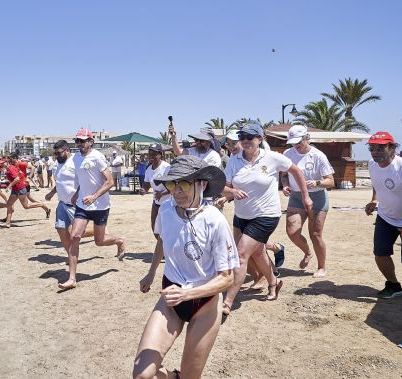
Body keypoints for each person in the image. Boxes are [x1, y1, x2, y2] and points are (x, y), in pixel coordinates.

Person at [134, 156, 238, 379]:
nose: (176, 191)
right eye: (172, 184)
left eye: (184, 183)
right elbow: (162, 240)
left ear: (202, 184)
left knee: (191, 377)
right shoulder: (166, 212)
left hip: (205, 303)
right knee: (142, 375)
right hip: (171, 297)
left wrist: (188, 293)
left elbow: (227, 278)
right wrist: (151, 273)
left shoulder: (215, 220)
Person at [219, 122, 312, 316]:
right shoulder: (234, 161)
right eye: (242, 137)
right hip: (242, 215)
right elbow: (224, 187)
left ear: (260, 139)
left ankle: (227, 301)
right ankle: (274, 282)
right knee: (259, 253)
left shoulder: (272, 158)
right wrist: (232, 191)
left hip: (266, 215)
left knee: (241, 253)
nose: (245, 141)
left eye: (250, 137)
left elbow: (296, 171)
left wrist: (305, 196)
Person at [60, 128, 126, 290]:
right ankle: (72, 278)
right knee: (75, 236)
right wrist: (77, 193)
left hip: (101, 205)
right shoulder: (75, 158)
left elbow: (109, 181)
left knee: (99, 241)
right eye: (77, 141)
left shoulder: (98, 157)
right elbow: (83, 180)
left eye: (83, 141)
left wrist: (94, 196)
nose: (80, 144)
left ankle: (119, 241)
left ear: (91, 141)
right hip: (83, 204)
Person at [282, 125, 335, 278]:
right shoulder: (288, 153)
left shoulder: (318, 156)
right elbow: (284, 174)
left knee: (315, 234)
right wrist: (285, 185)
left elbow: (330, 181)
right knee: (292, 232)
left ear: (307, 138)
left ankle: (321, 266)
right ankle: (307, 252)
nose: (296, 145)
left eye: (298, 141)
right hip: (296, 197)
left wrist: (317, 183)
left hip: (317, 197)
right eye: (293, 142)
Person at [365, 131, 402, 298]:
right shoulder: (372, 164)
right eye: (372, 148)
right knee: (380, 253)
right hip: (385, 218)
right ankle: (393, 284)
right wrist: (374, 200)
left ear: (392, 148)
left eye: (380, 147)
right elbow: (377, 184)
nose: (375, 151)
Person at [45, 140, 77, 271]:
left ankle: (104, 233)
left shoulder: (77, 161)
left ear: (67, 150)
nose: (56, 156)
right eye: (55, 153)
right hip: (62, 203)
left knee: (75, 233)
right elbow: (60, 183)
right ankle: (71, 257)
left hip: (75, 204)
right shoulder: (58, 164)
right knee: (61, 229)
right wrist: (52, 193)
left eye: (58, 153)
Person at [3, 153, 51, 228]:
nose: (9, 160)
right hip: (18, 186)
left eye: (10, 158)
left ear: (15, 158)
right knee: (12, 203)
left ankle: (43, 205)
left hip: (24, 185)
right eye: (8, 158)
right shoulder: (12, 166)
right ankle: (7, 221)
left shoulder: (21, 163)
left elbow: (32, 167)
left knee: (27, 204)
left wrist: (29, 177)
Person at [139, 144, 171, 240]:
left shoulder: (167, 168)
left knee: (167, 227)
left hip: (169, 203)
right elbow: (147, 184)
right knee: (154, 227)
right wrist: (144, 190)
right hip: (156, 202)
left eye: (154, 154)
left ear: (160, 155)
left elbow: (174, 186)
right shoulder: (149, 169)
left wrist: (162, 193)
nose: (151, 157)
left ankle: (166, 250)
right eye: (150, 154)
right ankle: (161, 248)